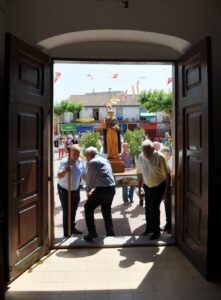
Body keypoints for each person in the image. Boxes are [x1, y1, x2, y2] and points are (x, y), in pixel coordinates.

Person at [137, 140, 171, 240]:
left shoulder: (160, 157)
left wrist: (166, 191)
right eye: (144, 151)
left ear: (153, 149)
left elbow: (167, 175)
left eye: (148, 151)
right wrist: (139, 189)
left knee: (154, 208)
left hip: (159, 185)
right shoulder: (140, 157)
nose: (146, 154)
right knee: (147, 207)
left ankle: (156, 231)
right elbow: (139, 173)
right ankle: (149, 229)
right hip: (147, 186)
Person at [84, 146, 116, 241]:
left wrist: (88, 191)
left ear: (90, 154)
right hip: (111, 188)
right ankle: (110, 233)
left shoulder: (93, 162)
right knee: (106, 211)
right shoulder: (105, 160)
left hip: (102, 190)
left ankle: (92, 233)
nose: (86, 157)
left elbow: (90, 178)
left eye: (87, 155)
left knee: (88, 208)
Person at [57, 145, 86, 237]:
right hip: (64, 189)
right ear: (70, 153)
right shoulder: (65, 162)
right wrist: (65, 170)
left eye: (77, 155)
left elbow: (84, 174)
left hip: (75, 189)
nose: (76, 157)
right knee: (67, 210)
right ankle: (67, 232)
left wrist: (90, 185)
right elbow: (59, 175)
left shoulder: (80, 161)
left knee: (73, 209)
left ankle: (72, 228)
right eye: (74, 155)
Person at [160, 146, 172, 233]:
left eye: (162, 155)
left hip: (170, 188)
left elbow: (169, 177)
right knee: (167, 207)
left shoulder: (171, 162)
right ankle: (169, 224)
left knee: (168, 207)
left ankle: (169, 225)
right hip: (168, 187)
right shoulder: (168, 161)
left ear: (167, 154)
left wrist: (166, 191)